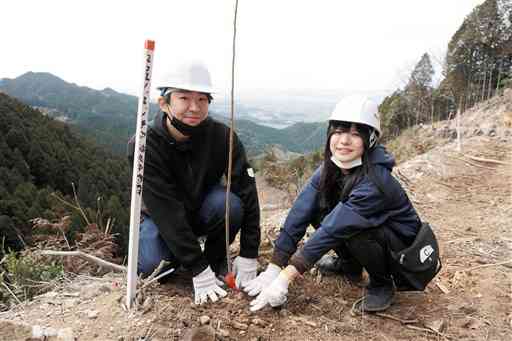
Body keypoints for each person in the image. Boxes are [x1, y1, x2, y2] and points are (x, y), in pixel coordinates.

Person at [243, 95, 423, 312]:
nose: (344, 140)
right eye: (339, 131)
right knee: (319, 207)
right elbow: (302, 208)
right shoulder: (334, 166)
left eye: (356, 134)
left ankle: (382, 283)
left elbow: (335, 228)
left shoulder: (375, 180)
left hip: (400, 248)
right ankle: (350, 266)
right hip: (368, 232)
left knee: (355, 228)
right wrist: (274, 265)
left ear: (371, 140)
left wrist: (285, 277)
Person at [127, 62, 261, 305]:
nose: (194, 107)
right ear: (164, 103)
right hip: (159, 217)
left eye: (202, 99)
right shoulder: (146, 144)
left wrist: (250, 253)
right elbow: (166, 211)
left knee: (230, 204)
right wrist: (197, 268)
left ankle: (214, 258)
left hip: (203, 209)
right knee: (154, 268)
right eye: (184, 98)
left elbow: (247, 190)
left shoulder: (222, 137)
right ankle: (187, 259)